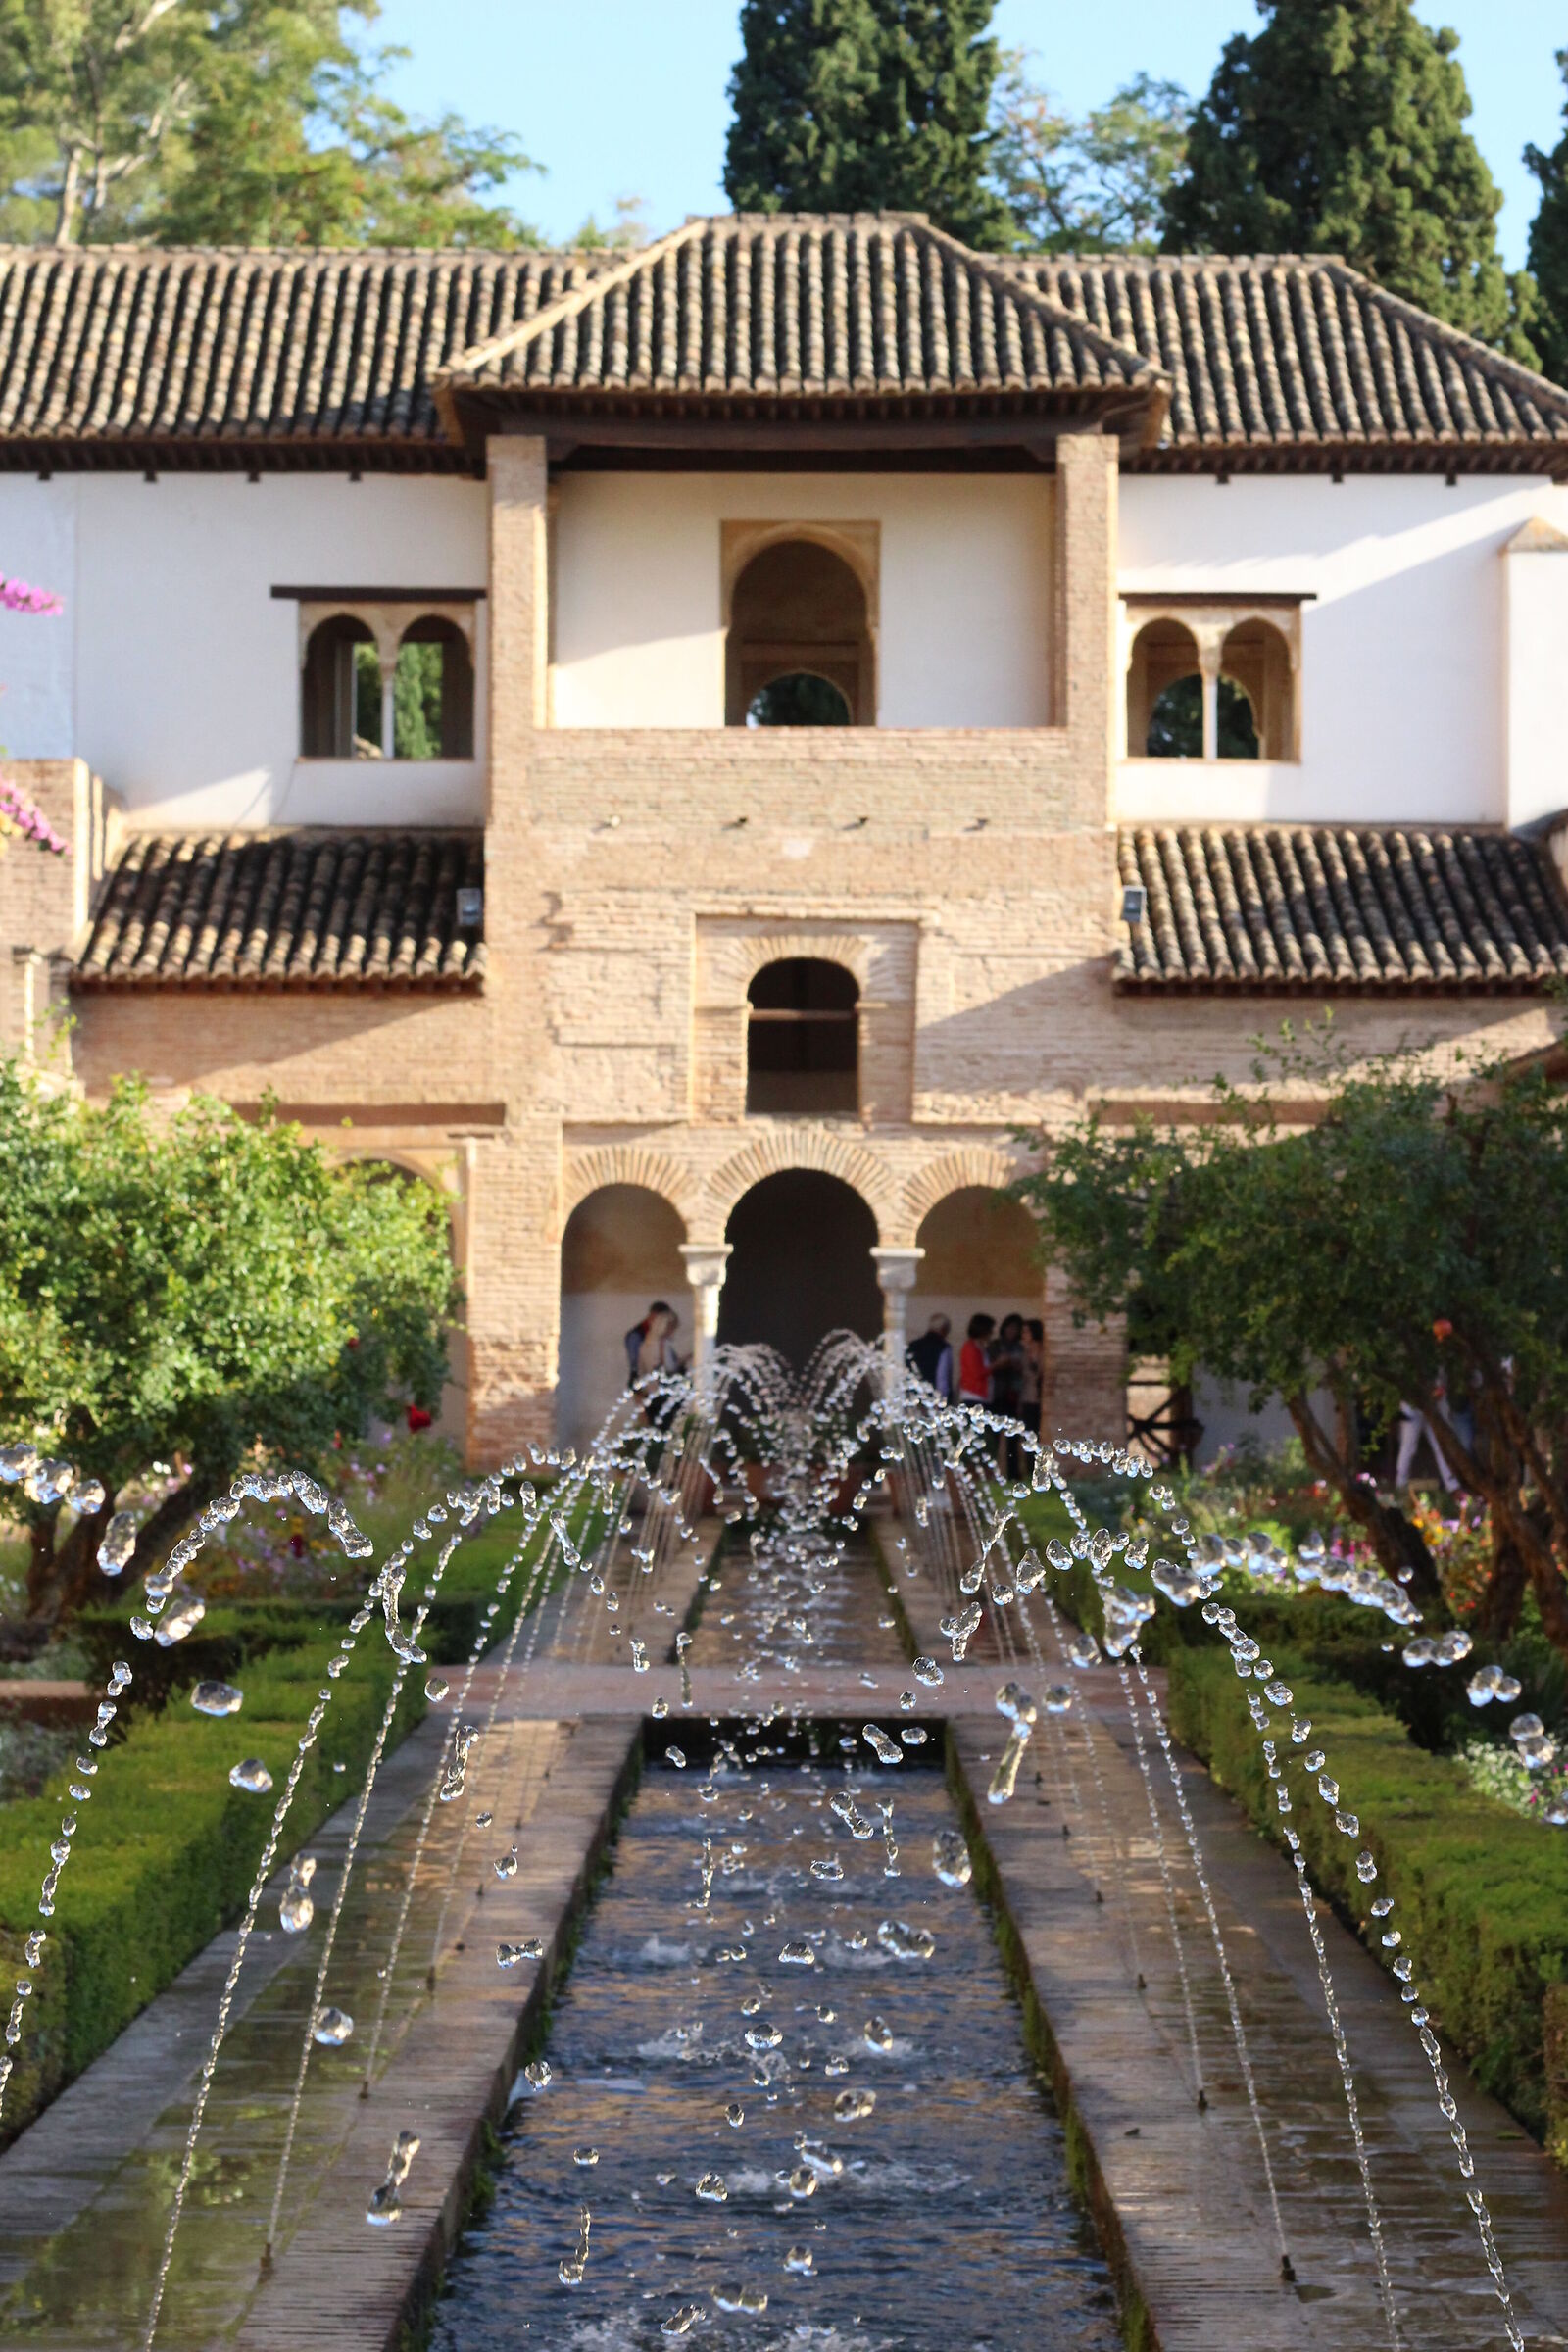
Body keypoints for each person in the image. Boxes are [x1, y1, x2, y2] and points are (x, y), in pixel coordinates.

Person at [990, 1312, 1026, 1478]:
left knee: (1013, 1437)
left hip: (1013, 1396)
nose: (1012, 1331)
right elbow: (990, 1366)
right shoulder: (995, 1345)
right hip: (997, 1394)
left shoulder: (1020, 1347)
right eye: (1010, 1327)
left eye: (1016, 1329)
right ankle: (991, 1472)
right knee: (993, 1436)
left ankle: (1013, 1473)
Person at [625, 1298, 674, 1387]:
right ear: (653, 1315)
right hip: (644, 1382)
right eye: (662, 1318)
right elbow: (636, 1364)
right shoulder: (636, 1335)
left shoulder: (660, 1337)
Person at [906, 1312, 953, 1399]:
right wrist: (942, 1398)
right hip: (933, 1398)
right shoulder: (943, 1347)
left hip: (914, 1396)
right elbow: (942, 1376)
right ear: (944, 1329)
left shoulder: (913, 1345)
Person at [957, 1312, 994, 1407]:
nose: (991, 1333)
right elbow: (977, 1372)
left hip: (983, 1396)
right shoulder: (970, 1347)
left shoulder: (982, 1347)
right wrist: (997, 1365)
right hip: (973, 1395)